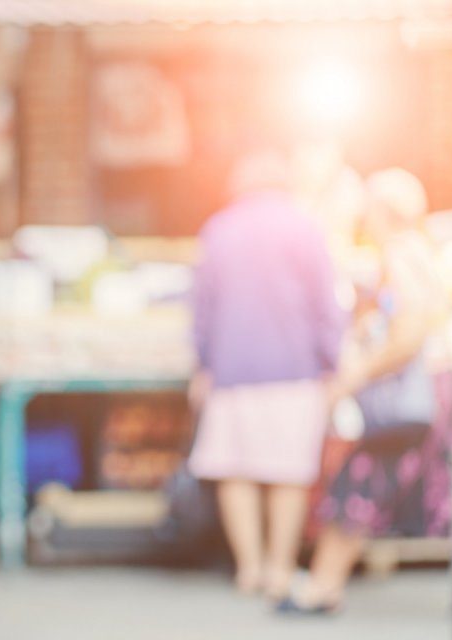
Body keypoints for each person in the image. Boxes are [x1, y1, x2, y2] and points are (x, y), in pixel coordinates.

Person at [279, 168, 452, 615]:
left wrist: (355, 376)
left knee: (356, 482)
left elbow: (407, 331)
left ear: (381, 211)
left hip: (408, 397)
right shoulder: (422, 250)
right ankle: (323, 585)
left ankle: (322, 587)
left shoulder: (401, 254)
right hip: (434, 392)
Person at [187, 150, 344, 600]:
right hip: (293, 368)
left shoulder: (219, 229)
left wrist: (203, 363)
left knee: (235, 470)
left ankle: (249, 568)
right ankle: (279, 568)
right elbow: (325, 304)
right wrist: (331, 361)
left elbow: (201, 307)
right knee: (288, 472)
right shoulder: (304, 227)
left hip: (231, 367)